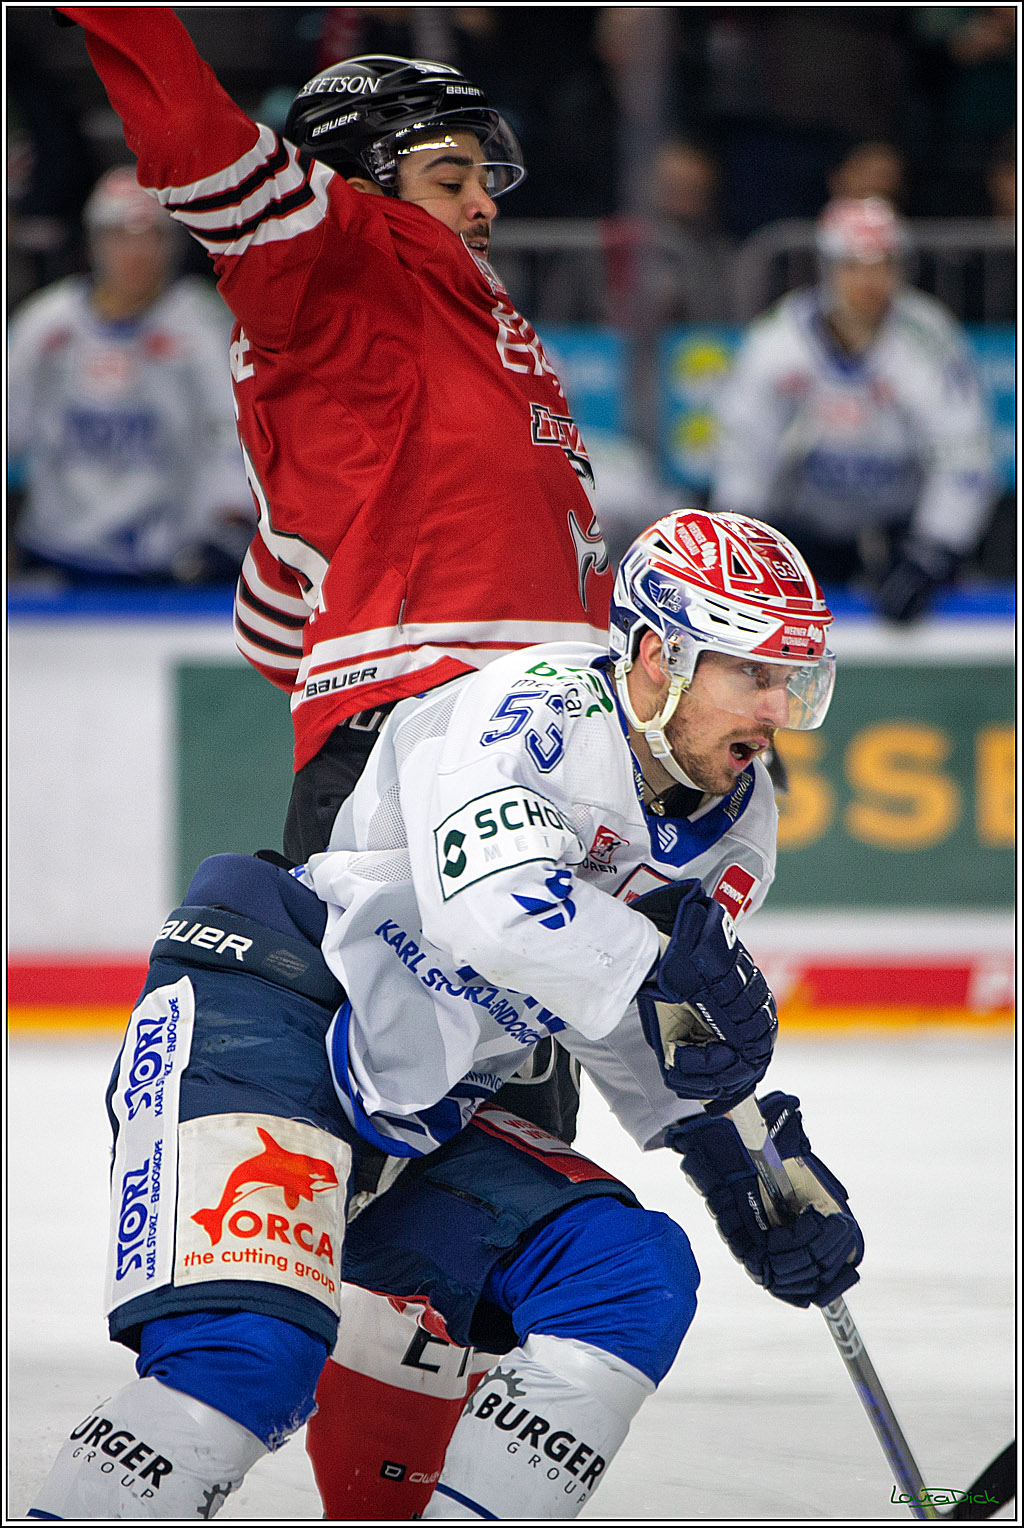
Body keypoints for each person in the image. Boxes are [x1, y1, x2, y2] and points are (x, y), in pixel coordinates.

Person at [52, 5, 612, 1515]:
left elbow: (278, 607)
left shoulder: (431, 321)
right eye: (449, 171)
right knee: (393, 1183)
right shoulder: (344, 252)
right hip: (429, 761)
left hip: (511, 764)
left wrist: (328, 537)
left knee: (466, 1210)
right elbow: (192, 141)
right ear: (359, 178)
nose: (485, 199)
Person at [30, 509, 864, 1521]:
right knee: (246, 1361)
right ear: (657, 655)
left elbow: (639, 1025)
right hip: (267, 1019)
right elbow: (498, 914)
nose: (779, 709)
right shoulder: (535, 705)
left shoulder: (737, 821)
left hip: (415, 1103)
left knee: (627, 1273)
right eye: (755, 674)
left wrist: (743, 1160)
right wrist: (659, 969)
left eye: (797, 681)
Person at [709, 196, 998, 623]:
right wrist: (740, 545)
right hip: (802, 529)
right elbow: (744, 449)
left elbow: (965, 455)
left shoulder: (930, 343)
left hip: (903, 531)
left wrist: (932, 550)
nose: (870, 281)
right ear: (827, 269)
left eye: (884, 265)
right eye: (853, 266)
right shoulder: (776, 342)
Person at [7, 166, 253, 585]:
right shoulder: (45, 325)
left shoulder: (203, 325)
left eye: (150, 236)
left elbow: (235, 436)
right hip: (54, 557)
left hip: (170, 567)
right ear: (94, 242)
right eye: (120, 236)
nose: (135, 253)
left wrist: (228, 522)